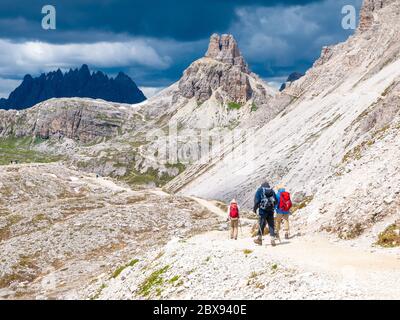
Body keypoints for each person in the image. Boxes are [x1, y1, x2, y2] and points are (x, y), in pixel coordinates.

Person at [253, 182, 277, 246]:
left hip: (262, 211)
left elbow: (257, 200)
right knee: (271, 225)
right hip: (271, 211)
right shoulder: (272, 191)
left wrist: (255, 209)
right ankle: (272, 239)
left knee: (262, 224)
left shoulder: (260, 190)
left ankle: (259, 239)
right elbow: (276, 201)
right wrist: (273, 207)